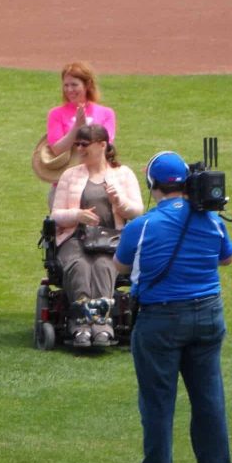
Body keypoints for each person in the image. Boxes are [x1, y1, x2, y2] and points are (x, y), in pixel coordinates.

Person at [115, 151, 232, 463]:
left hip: (161, 321)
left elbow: (122, 266)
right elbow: (226, 257)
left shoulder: (143, 225)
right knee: (209, 399)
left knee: (157, 403)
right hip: (209, 315)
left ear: (152, 185)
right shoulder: (211, 220)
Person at [50, 124, 142, 346]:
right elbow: (55, 214)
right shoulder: (70, 175)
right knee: (79, 267)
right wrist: (77, 215)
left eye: (85, 144)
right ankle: (81, 324)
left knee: (103, 267)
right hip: (75, 239)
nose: (80, 149)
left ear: (102, 145)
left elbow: (137, 211)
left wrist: (119, 202)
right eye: (78, 144)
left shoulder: (123, 174)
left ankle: (101, 324)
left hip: (110, 240)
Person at [46, 61, 117, 158]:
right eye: (66, 85)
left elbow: (106, 146)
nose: (69, 90)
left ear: (87, 85)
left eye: (74, 85)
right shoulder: (56, 114)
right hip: (68, 171)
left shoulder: (106, 113)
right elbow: (57, 150)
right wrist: (77, 127)